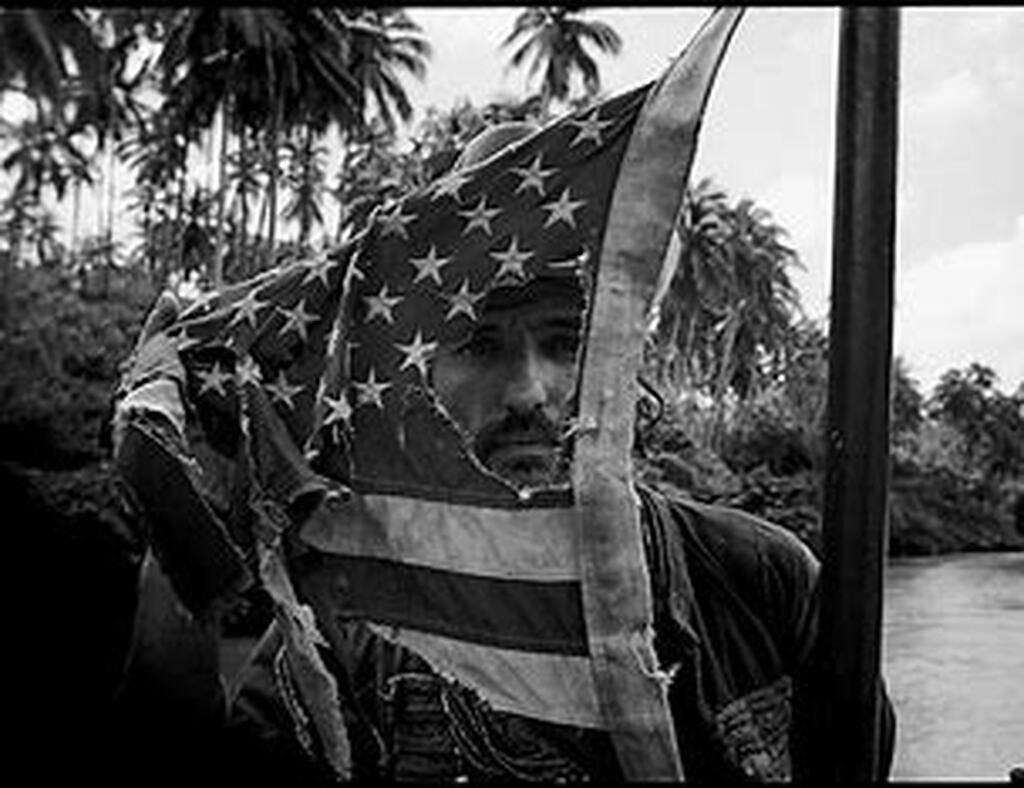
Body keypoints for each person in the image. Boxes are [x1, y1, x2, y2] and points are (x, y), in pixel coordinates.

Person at [109, 121, 895, 784]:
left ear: (623, 356)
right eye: (480, 344)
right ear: (427, 376)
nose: (527, 391)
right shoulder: (350, 612)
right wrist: (180, 523)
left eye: (565, 341)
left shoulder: (763, 580)